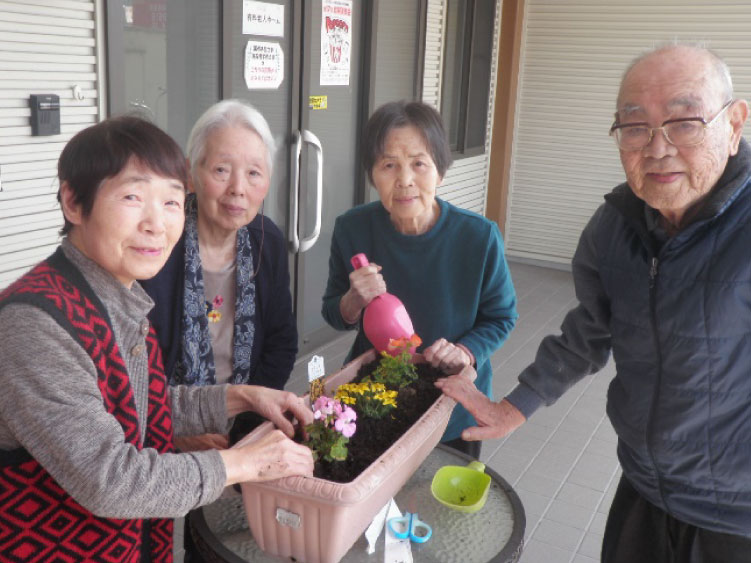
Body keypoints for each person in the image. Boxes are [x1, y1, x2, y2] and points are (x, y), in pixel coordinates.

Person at [436, 43, 751, 562]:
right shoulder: (616, 227)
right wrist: (514, 408)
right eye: (635, 127)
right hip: (645, 490)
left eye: (684, 122)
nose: (657, 148)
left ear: (734, 123)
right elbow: (589, 329)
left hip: (736, 521)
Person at [0, 116, 313, 562]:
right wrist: (245, 464)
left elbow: (143, 405)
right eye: (132, 196)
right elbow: (109, 479)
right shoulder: (33, 324)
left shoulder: (118, 296)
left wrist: (242, 396)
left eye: (169, 201)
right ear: (73, 201)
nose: (156, 223)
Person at [321, 100, 518, 459]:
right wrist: (352, 300)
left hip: (451, 399)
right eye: (389, 165)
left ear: (440, 172)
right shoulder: (352, 228)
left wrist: (465, 351)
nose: (405, 180)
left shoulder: (478, 237)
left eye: (418, 164)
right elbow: (334, 312)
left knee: (441, 508)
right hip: (377, 399)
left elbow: (502, 316)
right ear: (372, 174)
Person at [141, 99, 298, 452]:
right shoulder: (157, 244)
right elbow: (134, 367)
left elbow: (281, 341)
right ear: (189, 174)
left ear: (268, 182)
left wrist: (247, 423)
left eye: (254, 173)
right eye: (222, 170)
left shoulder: (266, 241)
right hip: (159, 427)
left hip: (244, 420)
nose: (238, 189)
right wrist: (175, 431)